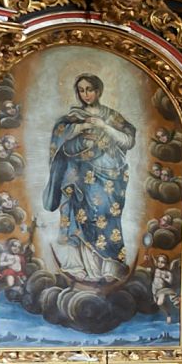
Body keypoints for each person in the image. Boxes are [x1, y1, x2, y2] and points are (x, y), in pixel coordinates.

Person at [44, 72, 138, 280]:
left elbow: (128, 141)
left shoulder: (112, 117)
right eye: (81, 90)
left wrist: (104, 127)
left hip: (110, 177)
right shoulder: (73, 118)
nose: (85, 94)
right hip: (80, 177)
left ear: (98, 91)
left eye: (89, 90)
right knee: (79, 218)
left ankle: (108, 268)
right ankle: (80, 267)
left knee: (106, 216)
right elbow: (61, 142)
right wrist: (82, 127)